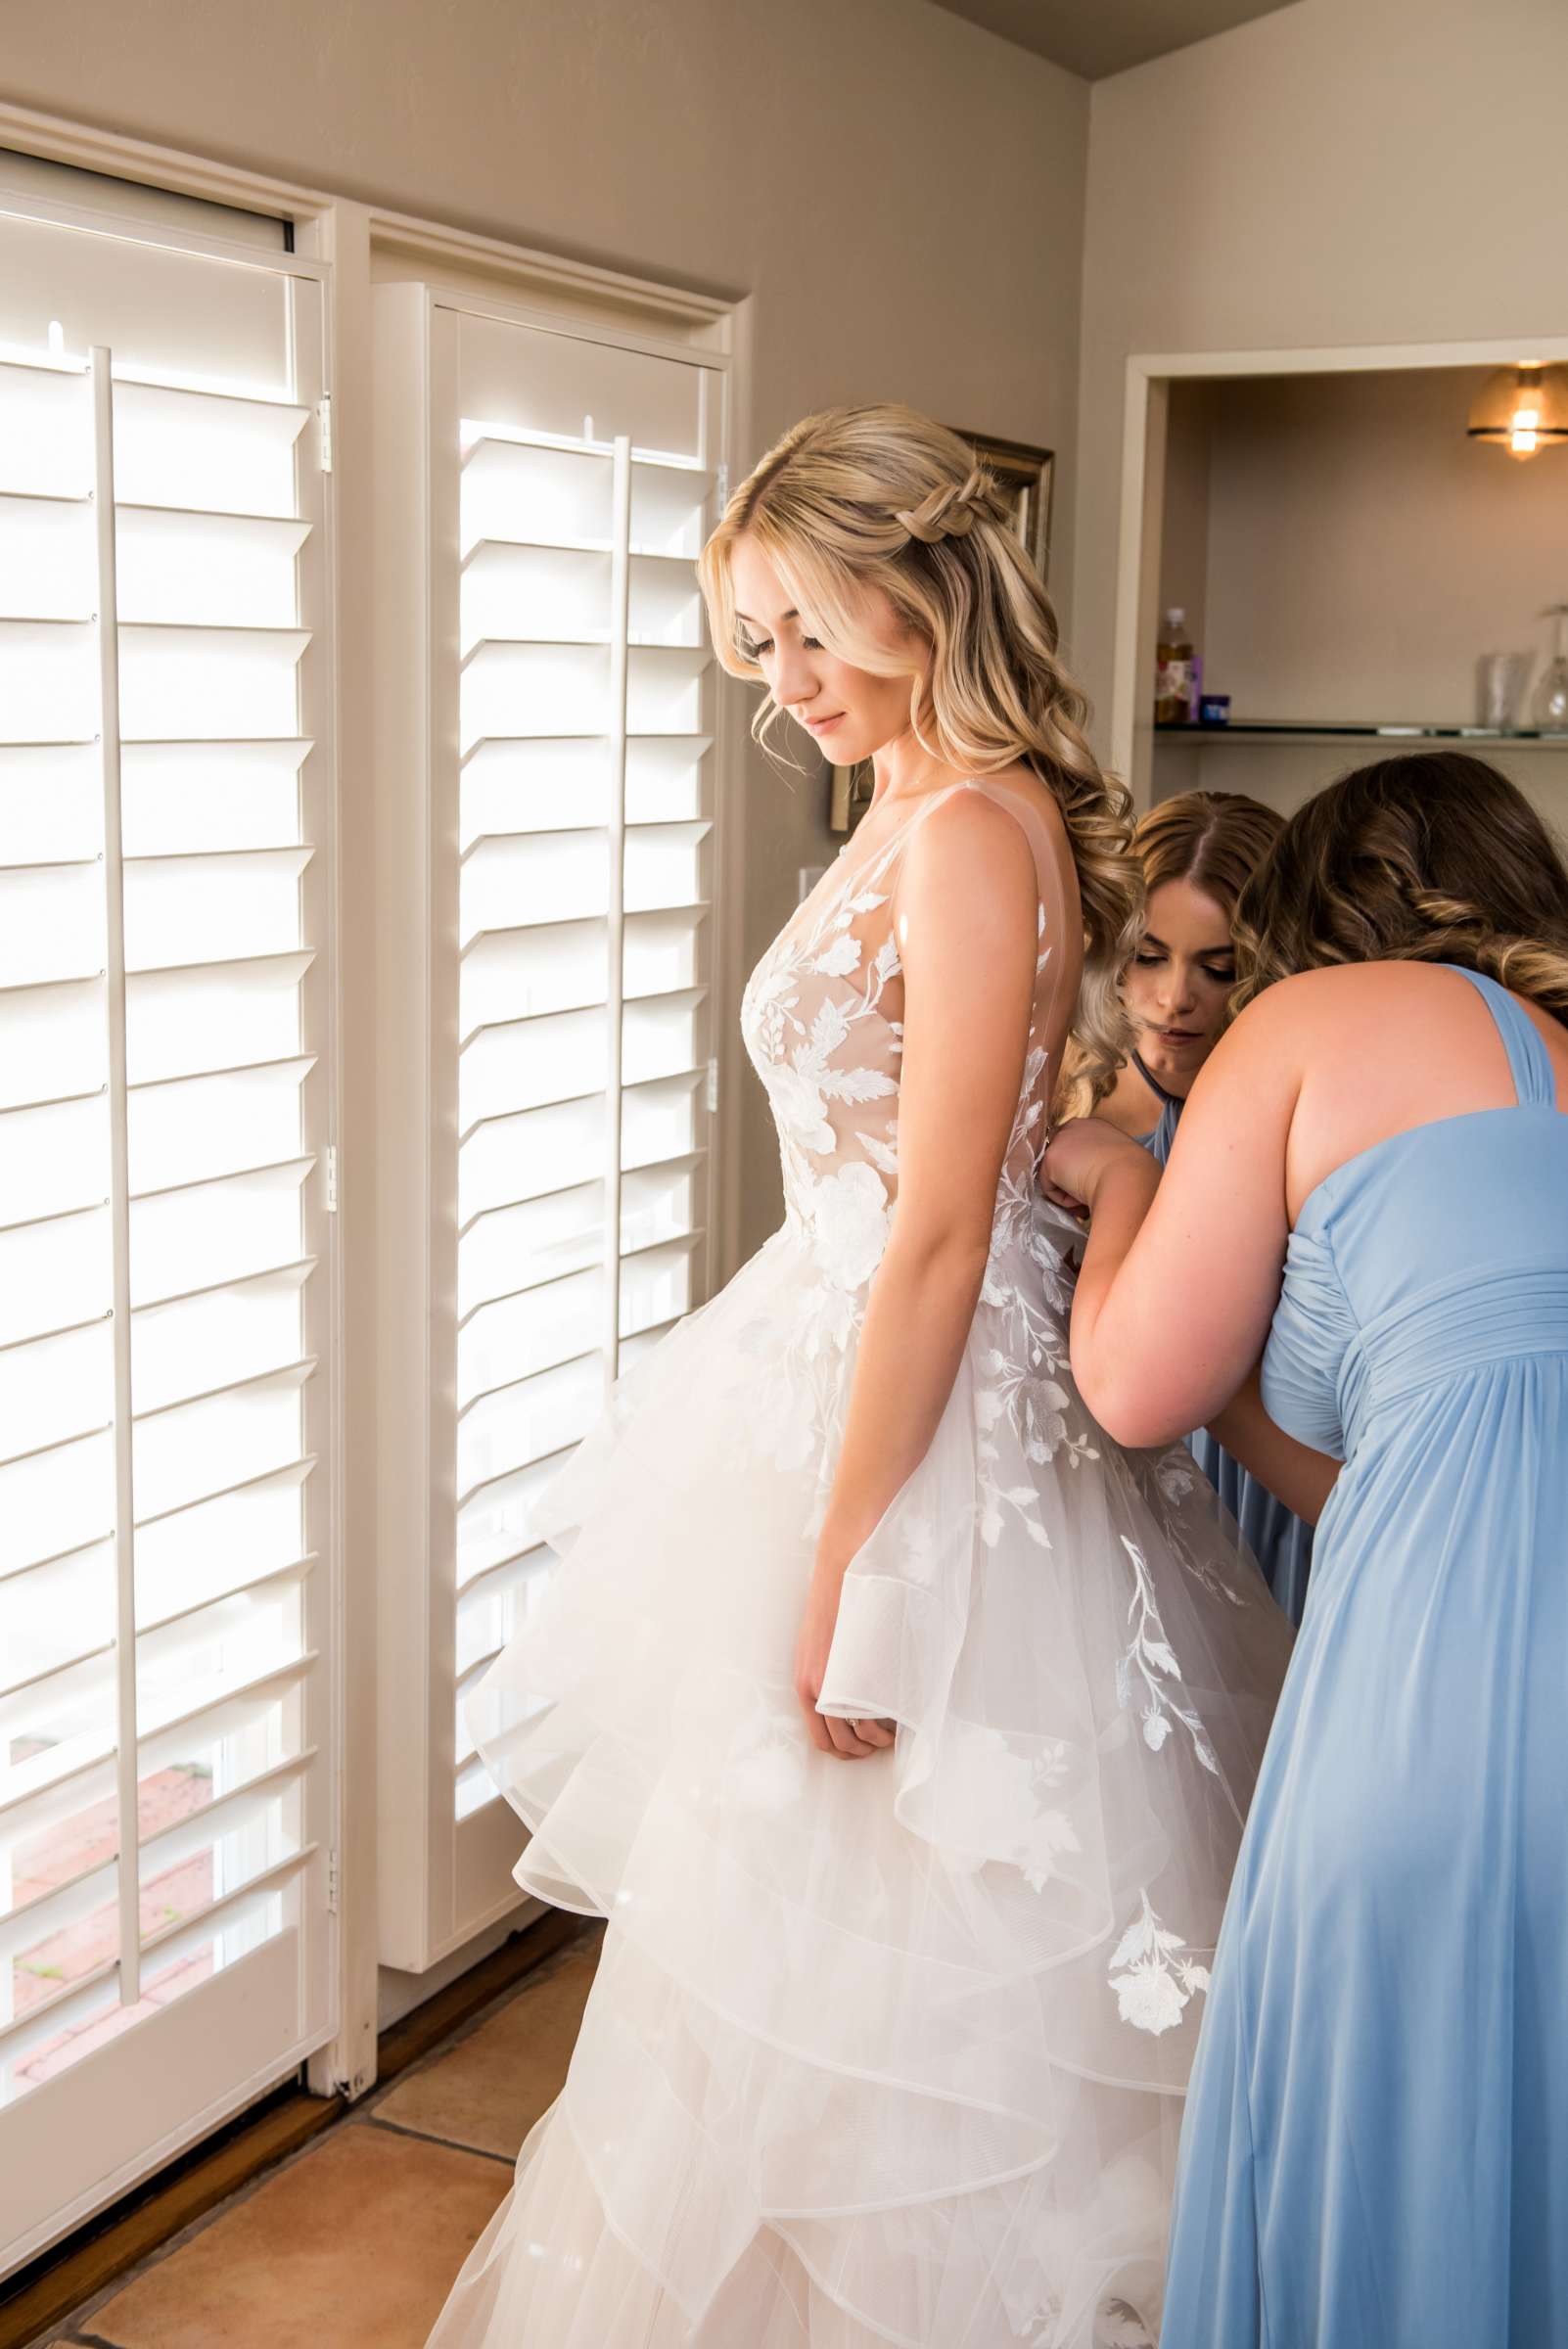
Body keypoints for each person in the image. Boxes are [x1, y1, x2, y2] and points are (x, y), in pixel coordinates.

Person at [425, 405, 1291, 2349]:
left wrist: (849, 1556)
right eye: (755, 644)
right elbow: (971, 1148)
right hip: (836, 1369)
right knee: (787, 1965)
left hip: (911, 1428)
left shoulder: (974, 823)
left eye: (814, 629)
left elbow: (937, 1232)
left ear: (918, 587)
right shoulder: (909, 806)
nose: (786, 682)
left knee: (911, 1947)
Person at [1041, 751, 1568, 2347]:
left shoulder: (1313, 1028)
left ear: (1308, 914)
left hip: (1434, 1671)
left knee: (1369, 2076)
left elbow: (1136, 1388)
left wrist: (1120, 1181)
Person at [1095, 791, 1315, 1625]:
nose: (1174, 998)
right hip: (1099, 1511)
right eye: (1147, 957)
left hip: (1267, 1490)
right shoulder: (1053, 1117)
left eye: (1218, 968)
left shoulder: (1310, 1132)